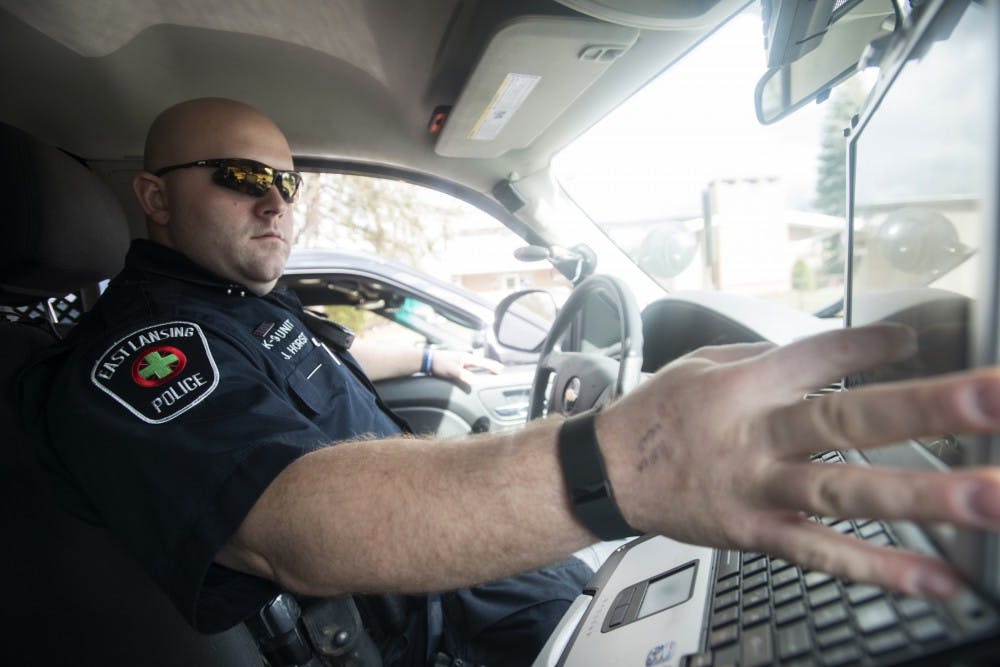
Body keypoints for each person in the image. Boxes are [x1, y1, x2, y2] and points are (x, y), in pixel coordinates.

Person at [17, 98, 1000, 665]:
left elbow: (333, 366)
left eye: (286, 181)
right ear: (152, 195)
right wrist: (620, 458)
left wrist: (444, 358)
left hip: (474, 595)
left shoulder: (239, 313)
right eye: (238, 176)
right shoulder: (133, 360)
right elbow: (291, 528)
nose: (274, 202)